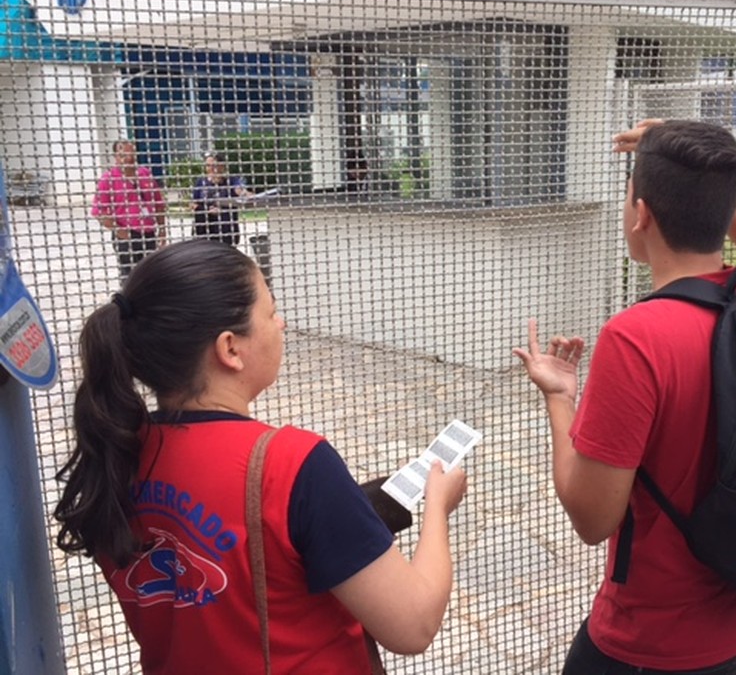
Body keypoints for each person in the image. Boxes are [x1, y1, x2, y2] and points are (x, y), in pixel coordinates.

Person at [54, 239, 467, 674]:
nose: (281, 323)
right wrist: (437, 506)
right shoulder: (295, 465)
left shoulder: (115, 451)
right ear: (230, 348)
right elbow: (413, 625)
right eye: (270, 312)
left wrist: (345, 513)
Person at [513, 119, 736, 675]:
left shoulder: (638, 337)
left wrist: (559, 397)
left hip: (656, 644)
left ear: (641, 214)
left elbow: (592, 518)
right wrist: (691, 160)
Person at [91, 140, 167, 282]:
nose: (129, 158)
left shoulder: (145, 174)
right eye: (124, 155)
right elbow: (98, 211)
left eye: (132, 153)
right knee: (130, 277)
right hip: (127, 234)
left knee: (150, 274)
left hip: (148, 233)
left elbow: (159, 204)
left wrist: (162, 229)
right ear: (116, 157)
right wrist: (120, 231)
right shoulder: (108, 179)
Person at [191, 153, 250, 246]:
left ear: (222, 167)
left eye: (214, 165)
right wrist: (207, 211)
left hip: (227, 229)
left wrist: (244, 193)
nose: (210, 169)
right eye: (207, 166)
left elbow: (239, 190)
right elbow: (193, 204)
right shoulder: (200, 182)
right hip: (205, 228)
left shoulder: (231, 180)